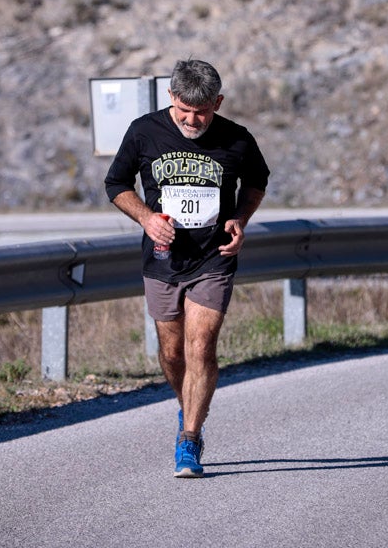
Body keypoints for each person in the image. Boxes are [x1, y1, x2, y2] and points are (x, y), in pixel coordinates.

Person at [104, 59, 269, 478]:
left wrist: (240, 220)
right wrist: (146, 218)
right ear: (172, 98)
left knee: (200, 348)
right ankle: (186, 408)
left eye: (203, 112)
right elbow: (116, 185)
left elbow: (256, 181)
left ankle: (189, 440)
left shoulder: (237, 138)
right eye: (185, 111)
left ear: (218, 102)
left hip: (215, 259)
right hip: (162, 260)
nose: (194, 120)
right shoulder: (144, 131)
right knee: (173, 353)